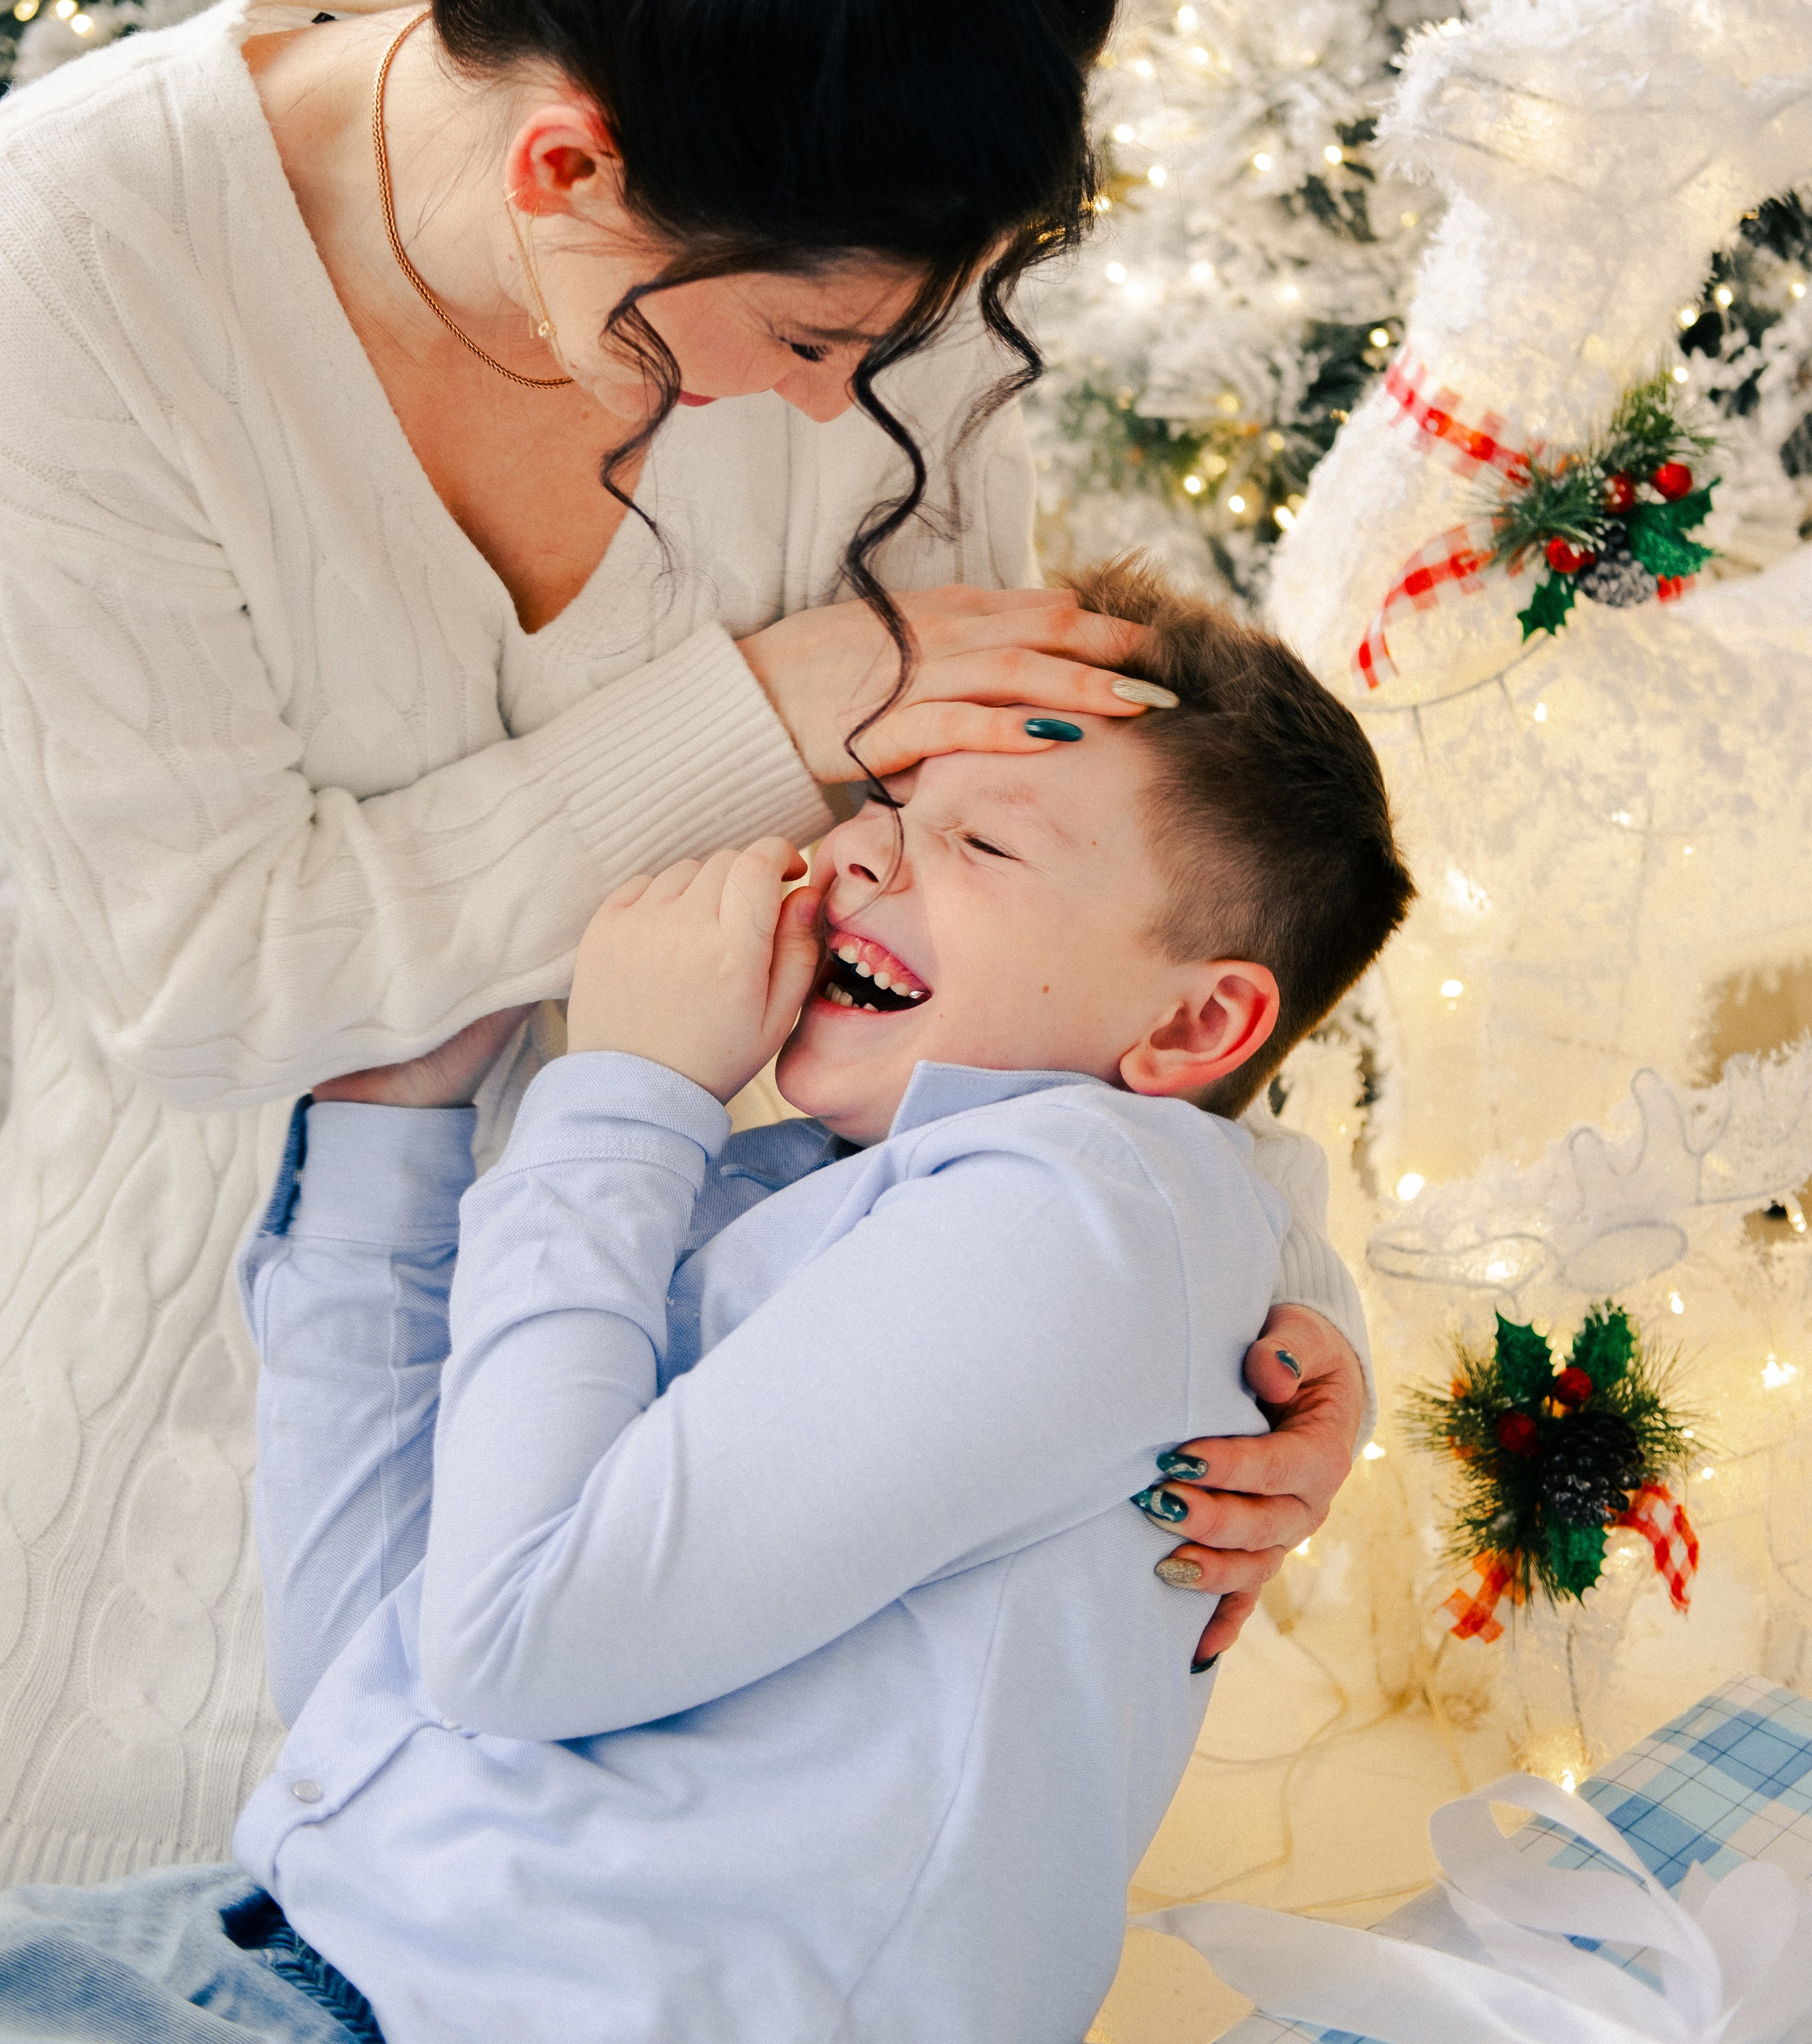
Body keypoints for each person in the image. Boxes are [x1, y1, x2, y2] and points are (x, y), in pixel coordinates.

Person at [0, 0, 1361, 1885]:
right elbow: (212, 976)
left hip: (662, 1533)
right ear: (569, 168)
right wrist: (778, 702)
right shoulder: (80, 273)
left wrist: (1259, 1284)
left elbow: (1062, 881)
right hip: (134, 1477)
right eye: (807, 350)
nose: (846, 418)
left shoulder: (856, 216)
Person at [0, 559, 1414, 2042]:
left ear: (1199, 1021)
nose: (856, 853)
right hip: (296, 1932)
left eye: (982, 842)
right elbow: (376, 1668)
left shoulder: (1081, 1214)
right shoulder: (813, 1194)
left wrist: (627, 1088)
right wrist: (391, 1132)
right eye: (885, 799)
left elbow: (508, 1642)